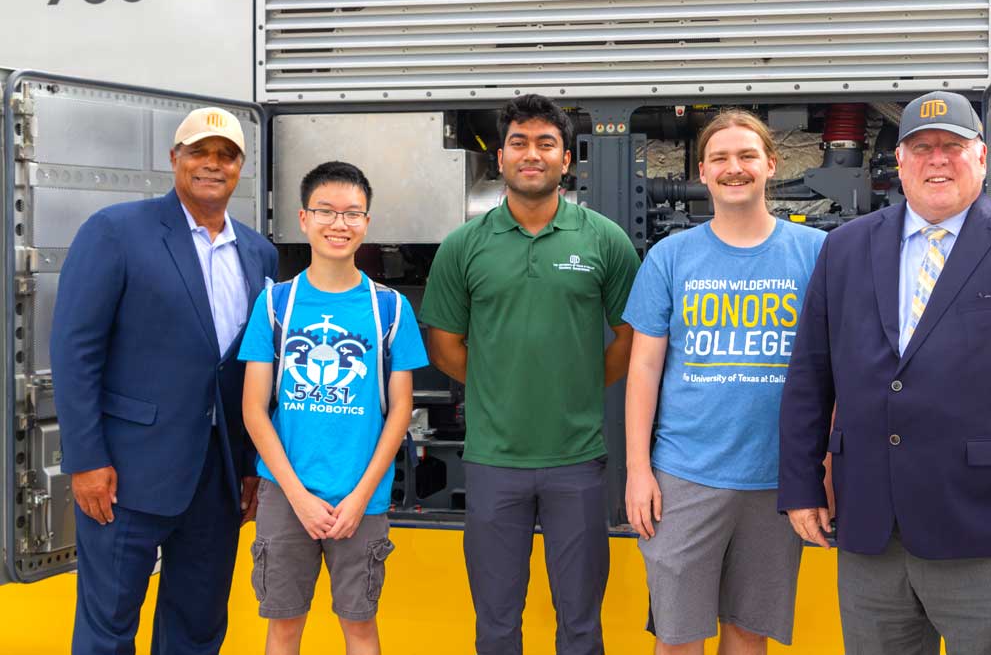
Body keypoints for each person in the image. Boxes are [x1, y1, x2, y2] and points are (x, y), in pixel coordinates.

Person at [778, 91, 991, 655]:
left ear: (980, 157)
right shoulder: (845, 248)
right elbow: (810, 375)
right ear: (899, 164)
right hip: (871, 533)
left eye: (952, 146)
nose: (937, 160)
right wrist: (802, 485)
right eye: (921, 147)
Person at [50, 107, 279, 654]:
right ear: (174, 159)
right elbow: (75, 350)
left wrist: (248, 466)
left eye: (225, 155)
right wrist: (84, 461)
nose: (212, 165)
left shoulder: (259, 252)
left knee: (198, 627)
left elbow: (249, 370)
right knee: (108, 627)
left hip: (217, 479)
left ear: (240, 167)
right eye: (198, 152)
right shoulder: (116, 231)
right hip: (125, 475)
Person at [420, 93, 641, 655]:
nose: (532, 154)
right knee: (495, 627)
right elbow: (444, 345)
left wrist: (578, 385)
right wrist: (499, 381)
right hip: (494, 462)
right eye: (519, 142)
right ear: (500, 157)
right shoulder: (463, 246)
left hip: (580, 463)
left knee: (582, 627)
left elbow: (629, 339)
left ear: (568, 159)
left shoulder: (604, 241)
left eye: (546, 143)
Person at [623, 109, 824, 654]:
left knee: (747, 635)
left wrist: (825, 464)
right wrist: (638, 471)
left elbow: (834, 369)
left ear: (770, 166)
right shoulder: (670, 258)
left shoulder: (815, 255)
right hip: (684, 477)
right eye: (720, 159)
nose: (734, 168)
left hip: (777, 480)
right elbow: (643, 368)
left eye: (746, 156)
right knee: (678, 637)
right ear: (703, 173)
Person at [238, 161, 427, 655]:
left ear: (367, 223)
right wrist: (298, 496)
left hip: (361, 499)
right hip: (285, 496)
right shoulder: (275, 304)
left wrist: (362, 495)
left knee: (360, 626)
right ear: (303, 218)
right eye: (325, 211)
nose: (338, 224)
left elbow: (400, 410)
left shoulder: (389, 308)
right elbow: (254, 410)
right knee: (283, 627)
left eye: (352, 214)